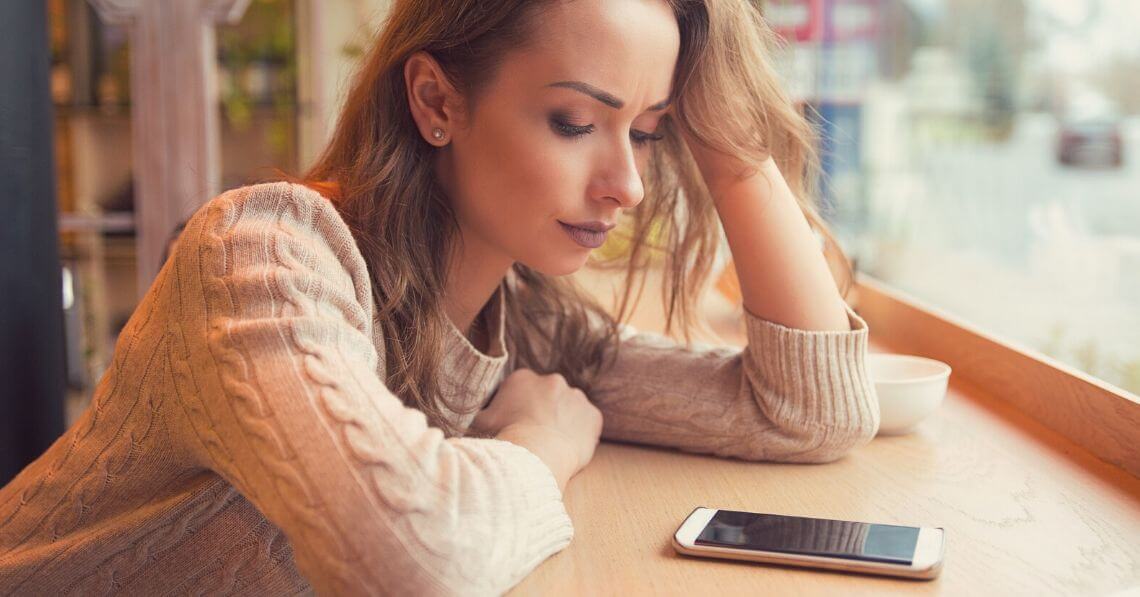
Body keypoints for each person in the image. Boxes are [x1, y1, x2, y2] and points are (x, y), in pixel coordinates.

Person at [0, 0, 880, 594]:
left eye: (648, 133)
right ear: (435, 101)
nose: (629, 185)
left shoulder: (522, 324)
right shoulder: (261, 254)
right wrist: (540, 444)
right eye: (576, 123)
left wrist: (726, 137)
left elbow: (808, 409)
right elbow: (412, 554)